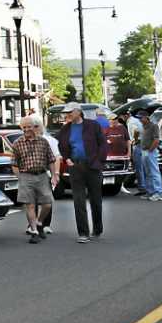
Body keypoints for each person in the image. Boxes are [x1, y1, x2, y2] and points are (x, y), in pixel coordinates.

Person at [55, 102, 110, 242]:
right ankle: (83, 233)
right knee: (78, 201)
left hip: (92, 167)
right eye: (66, 113)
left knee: (95, 200)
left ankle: (97, 229)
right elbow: (61, 145)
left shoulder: (92, 125)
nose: (67, 115)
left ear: (78, 112)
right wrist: (67, 159)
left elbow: (103, 144)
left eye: (70, 112)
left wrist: (99, 162)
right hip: (75, 167)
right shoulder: (65, 129)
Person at [10, 114, 55, 243]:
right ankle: (34, 231)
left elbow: (51, 159)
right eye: (23, 127)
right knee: (29, 205)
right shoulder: (17, 143)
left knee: (47, 204)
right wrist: (20, 177)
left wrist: (54, 175)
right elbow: (14, 163)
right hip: (25, 176)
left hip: (42, 175)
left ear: (34, 127)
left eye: (28, 127)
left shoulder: (43, 141)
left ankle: (40, 223)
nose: (26, 129)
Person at [135, 108, 162, 201]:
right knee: (147, 172)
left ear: (146, 117)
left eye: (141, 118)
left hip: (150, 151)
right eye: (139, 118)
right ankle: (150, 191)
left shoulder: (153, 126)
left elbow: (156, 140)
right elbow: (138, 135)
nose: (140, 119)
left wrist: (150, 150)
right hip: (144, 151)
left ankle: (158, 192)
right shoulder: (143, 127)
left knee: (154, 172)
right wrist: (137, 140)